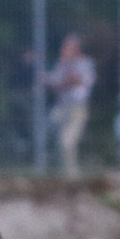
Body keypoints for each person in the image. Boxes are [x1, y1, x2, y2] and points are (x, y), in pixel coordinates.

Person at [46, 33, 96, 176]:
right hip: (62, 107)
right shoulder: (62, 64)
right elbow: (53, 81)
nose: (64, 50)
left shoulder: (85, 63)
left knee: (67, 141)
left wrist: (64, 80)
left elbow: (79, 80)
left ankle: (71, 173)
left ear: (76, 48)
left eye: (67, 47)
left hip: (77, 109)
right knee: (48, 130)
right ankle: (56, 169)